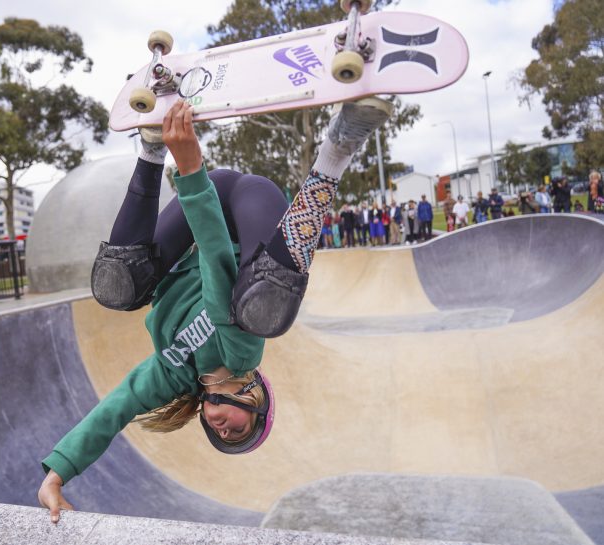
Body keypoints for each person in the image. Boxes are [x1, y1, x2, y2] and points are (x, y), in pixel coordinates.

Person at [37, 98, 393, 522]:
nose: (223, 429)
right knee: (266, 307)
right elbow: (216, 257)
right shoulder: (241, 353)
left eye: (218, 433)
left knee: (118, 285)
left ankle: (149, 148)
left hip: (202, 205)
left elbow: (115, 408)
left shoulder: (172, 375)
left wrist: (58, 472)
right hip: (245, 206)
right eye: (237, 428)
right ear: (255, 398)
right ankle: (339, 147)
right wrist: (190, 169)